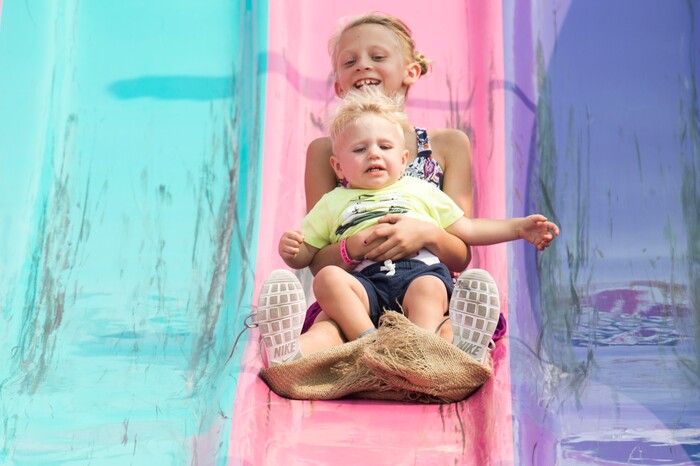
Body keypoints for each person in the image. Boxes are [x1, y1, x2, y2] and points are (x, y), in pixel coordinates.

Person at [256, 89, 558, 367]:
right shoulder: (333, 202)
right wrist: (292, 250)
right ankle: (360, 342)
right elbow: (308, 254)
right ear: (338, 167)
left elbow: (466, 228)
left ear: (403, 160)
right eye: (359, 149)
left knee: (429, 290)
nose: (374, 153)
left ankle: (423, 348)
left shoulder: (420, 190)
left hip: (419, 272)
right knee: (327, 279)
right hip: (364, 286)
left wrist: (518, 228)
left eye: (384, 146)